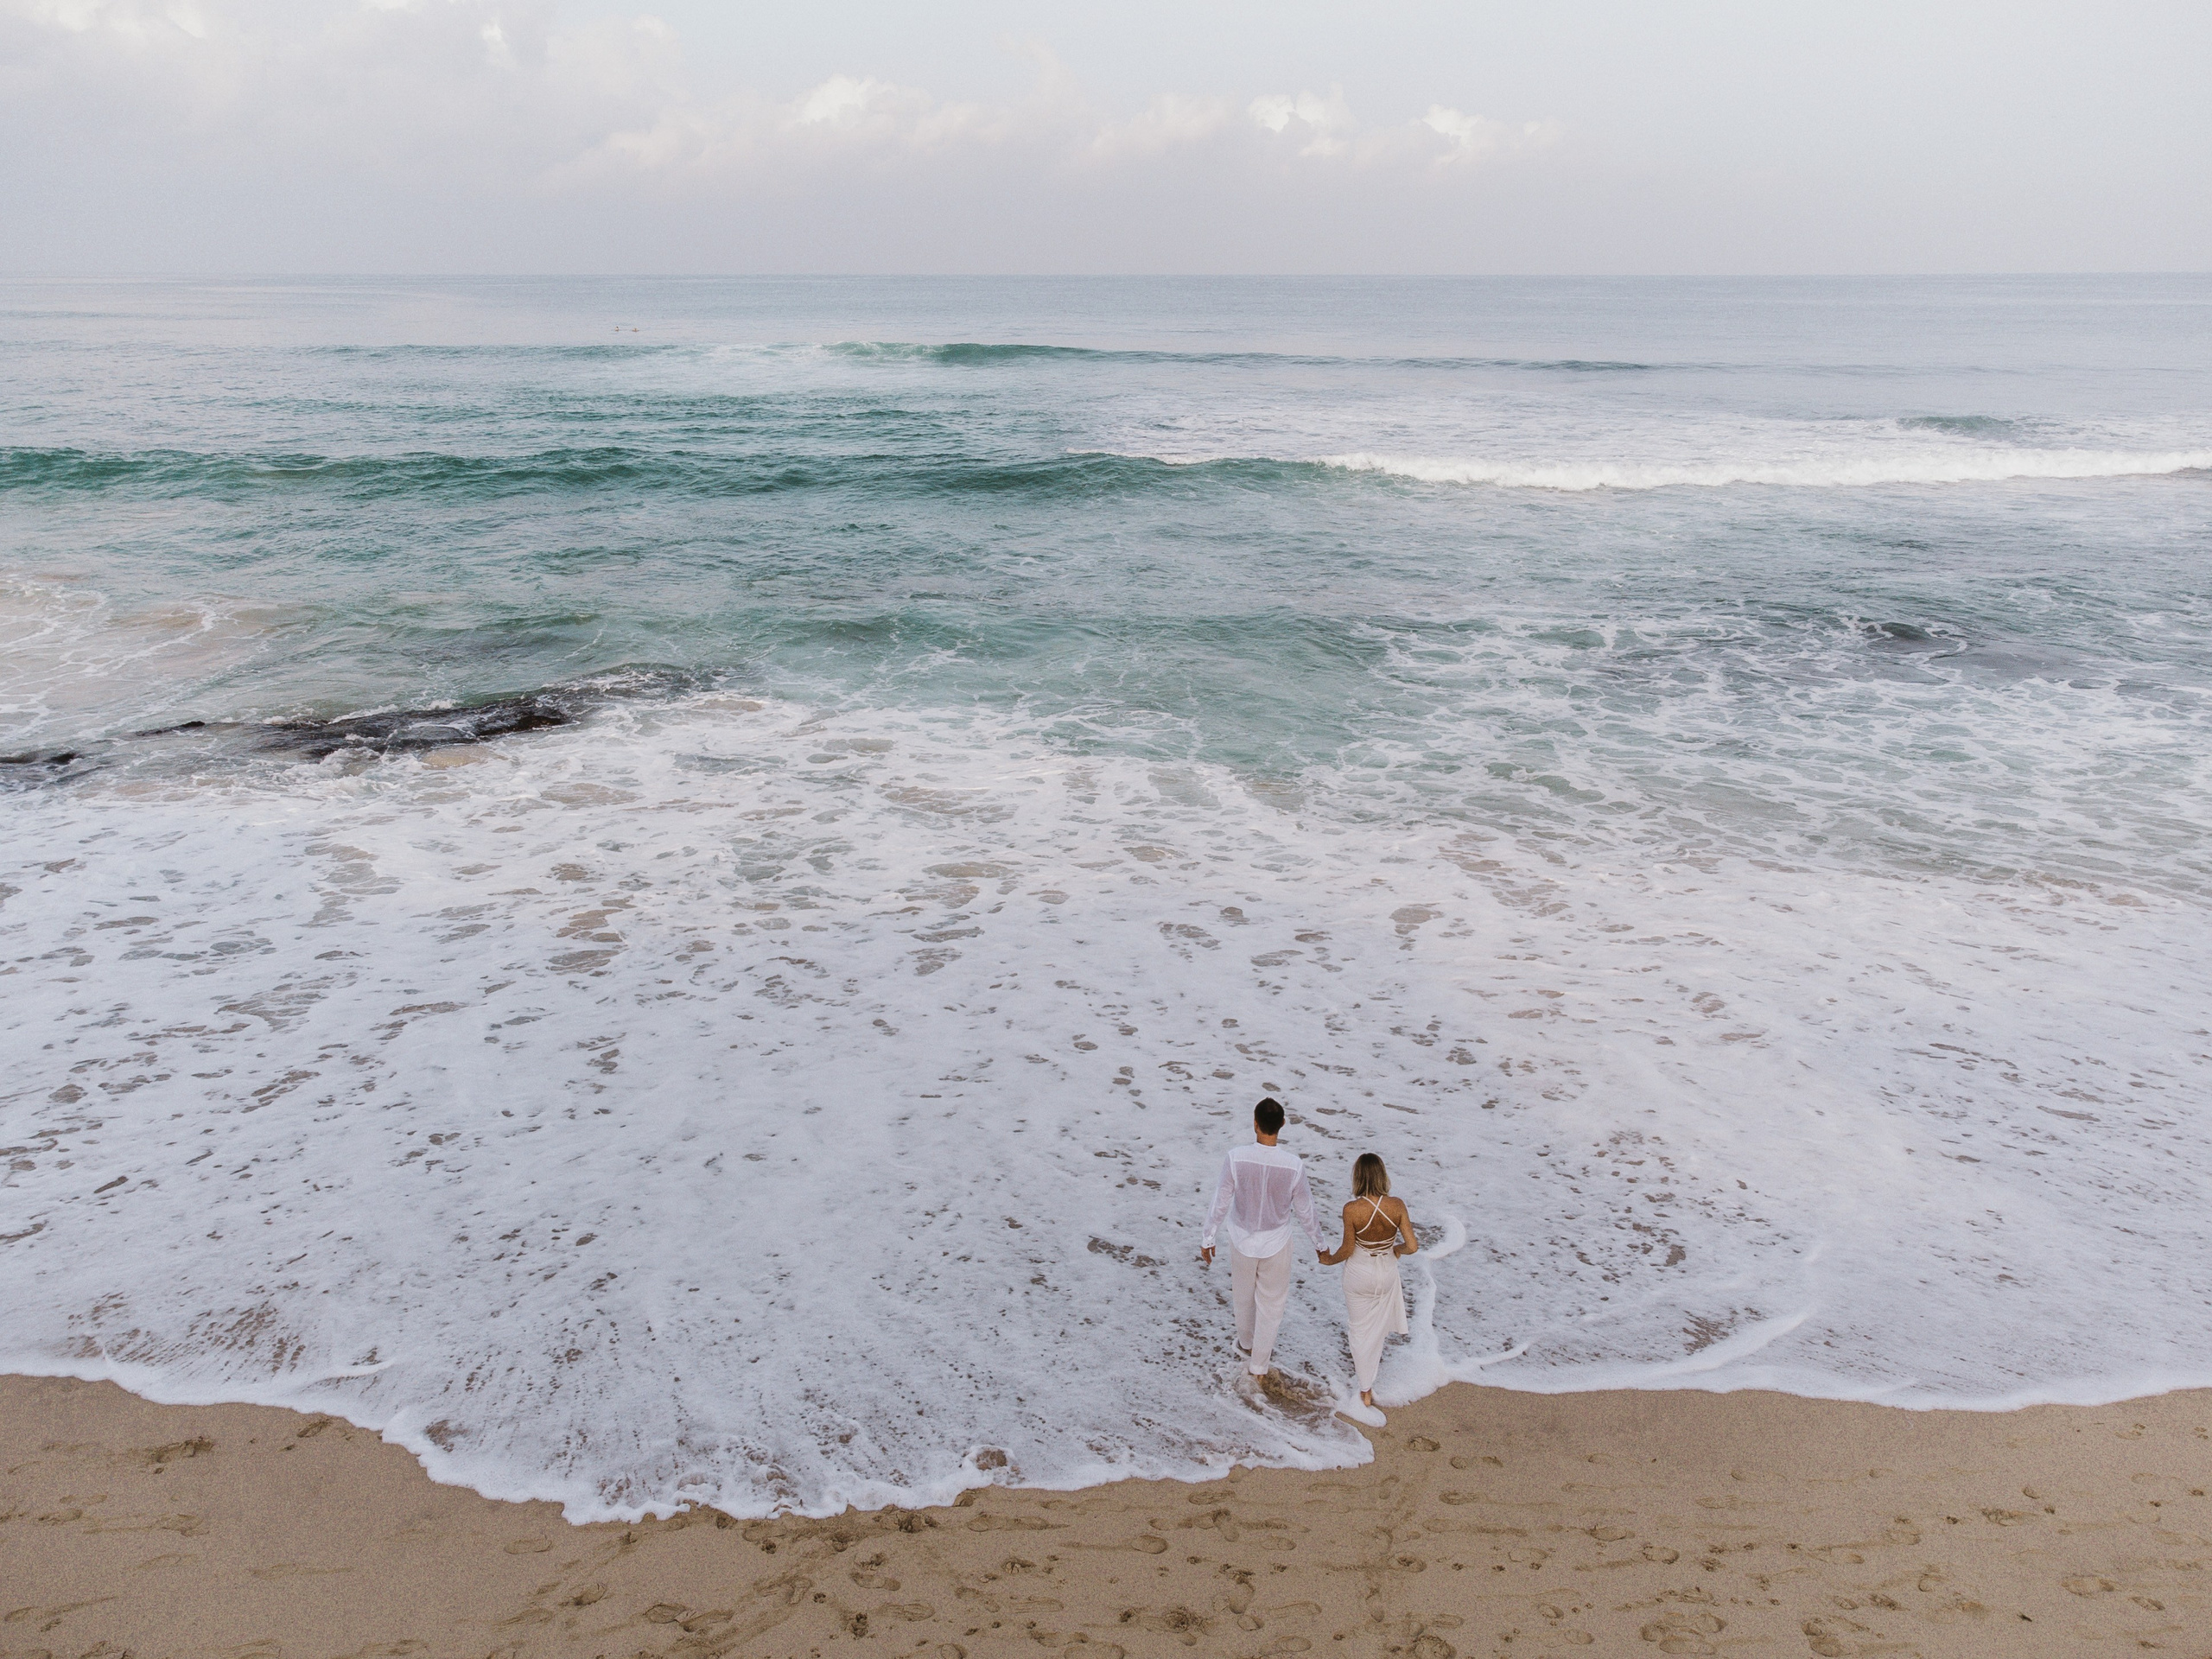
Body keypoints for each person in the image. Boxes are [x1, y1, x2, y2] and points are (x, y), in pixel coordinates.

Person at [1200, 1097, 1324, 1397]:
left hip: (1242, 1238)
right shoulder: (1294, 1165)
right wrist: (1320, 1245)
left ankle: (1246, 1345)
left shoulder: (1236, 1158)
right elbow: (1306, 1211)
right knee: (1271, 1306)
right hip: (1277, 1241)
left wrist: (1208, 1238)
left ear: (1254, 1123)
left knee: (1242, 1296)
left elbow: (1221, 1200)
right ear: (1282, 1125)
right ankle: (1258, 1367)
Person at [1316, 1152, 1418, 1420]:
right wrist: (1396, 1249)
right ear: (1383, 1175)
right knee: (1376, 1328)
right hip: (1386, 1271)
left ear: (1358, 1177)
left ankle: (1365, 1388)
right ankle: (1369, 1377)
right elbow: (1413, 1246)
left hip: (1359, 1273)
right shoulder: (1397, 1205)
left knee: (1359, 1329)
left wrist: (1328, 1260)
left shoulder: (1352, 1209)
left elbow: (1348, 1249)